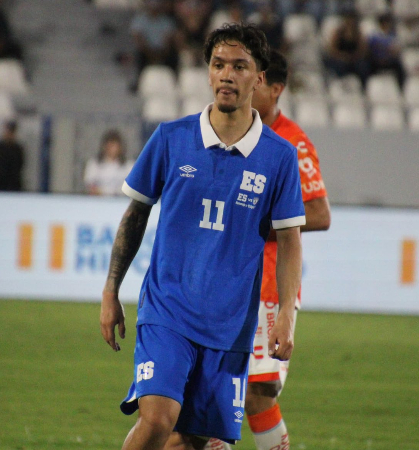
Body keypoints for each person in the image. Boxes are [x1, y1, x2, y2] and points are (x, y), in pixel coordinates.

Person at [100, 23, 305, 450]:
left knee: (189, 440)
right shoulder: (171, 139)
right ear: (208, 73)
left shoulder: (279, 158)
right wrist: (111, 290)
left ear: (259, 77)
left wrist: (286, 312)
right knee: (158, 419)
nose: (226, 74)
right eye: (218, 65)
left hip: (230, 326)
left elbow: (290, 240)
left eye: (239, 66)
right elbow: (135, 214)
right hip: (168, 310)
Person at [206, 49, 331, 450]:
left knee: (257, 393)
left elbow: (320, 213)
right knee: (218, 387)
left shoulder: (292, 143)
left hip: (269, 286)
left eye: (257, 81)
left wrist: (262, 222)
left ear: (274, 88)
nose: (248, 86)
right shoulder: (234, 134)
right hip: (227, 279)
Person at [83, 129, 133, 196]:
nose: (112, 149)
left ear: (120, 147)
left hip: (121, 202)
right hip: (98, 202)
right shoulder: (93, 164)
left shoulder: (129, 166)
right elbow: (90, 186)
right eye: (109, 146)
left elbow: (132, 188)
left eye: (114, 146)